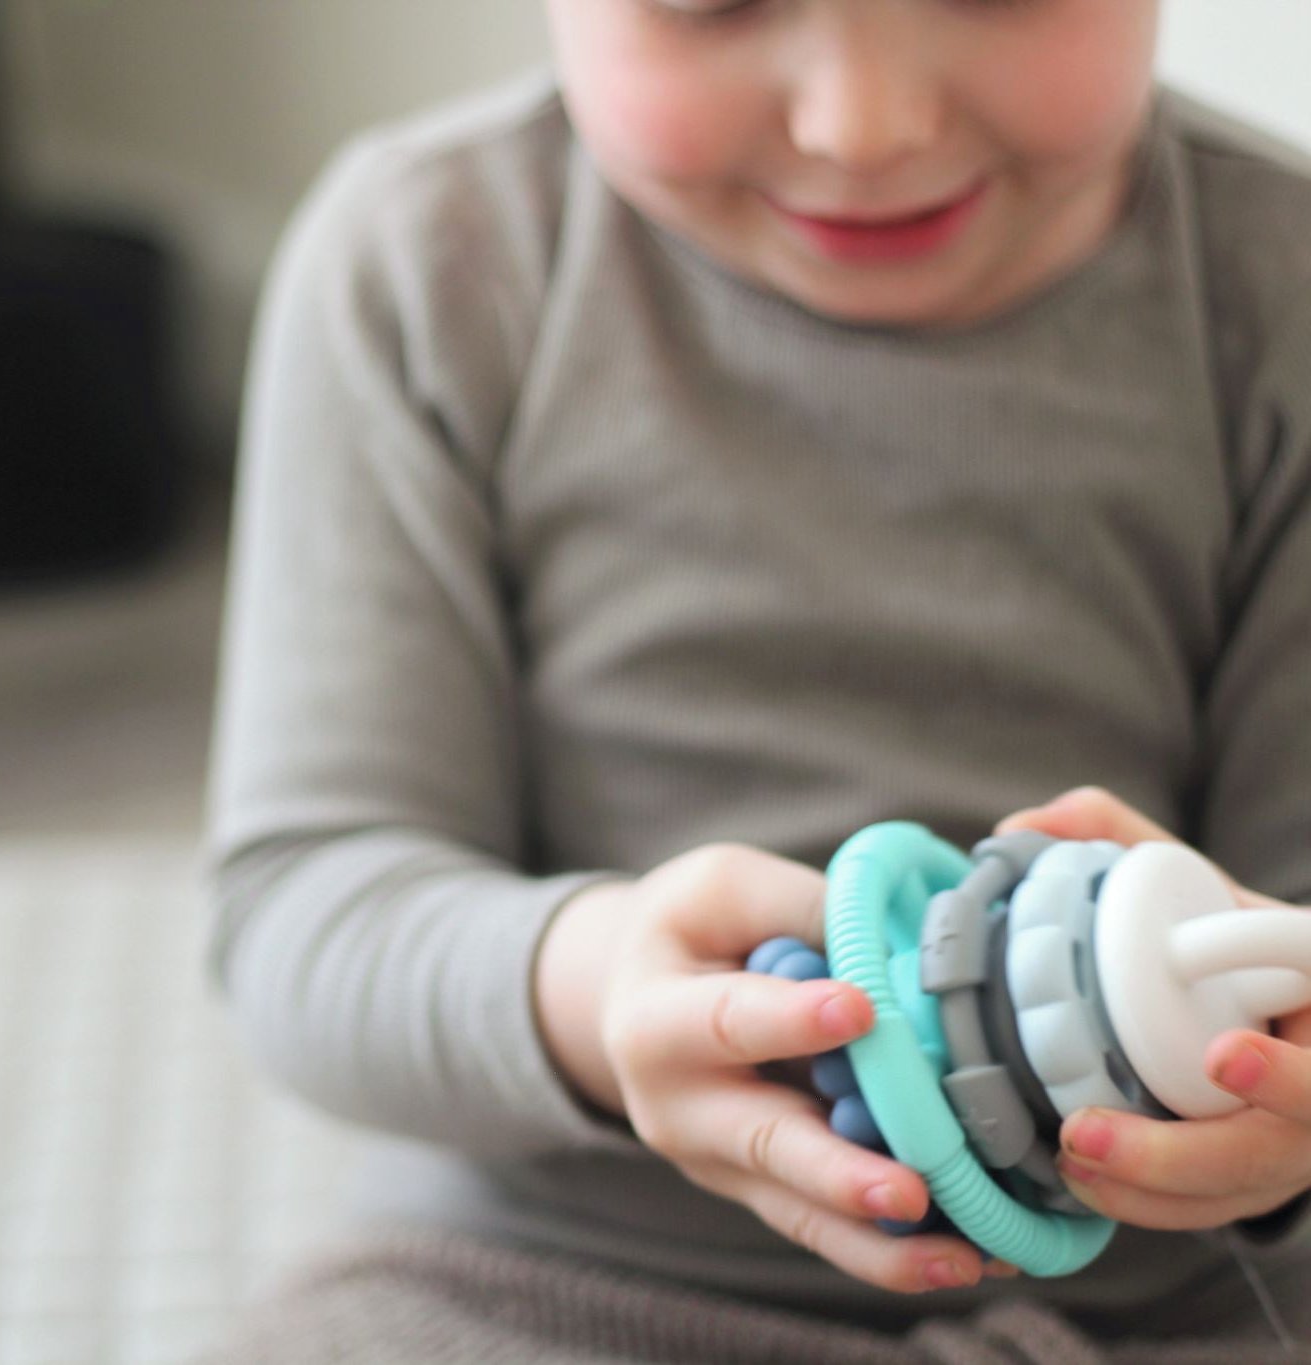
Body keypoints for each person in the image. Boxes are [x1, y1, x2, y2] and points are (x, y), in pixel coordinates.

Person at [197, 0, 1311, 1359]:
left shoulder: (1278, 292)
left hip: (1172, 1303)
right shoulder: (428, 265)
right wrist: (593, 993)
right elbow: (306, 910)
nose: (862, 126)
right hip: (549, 1277)